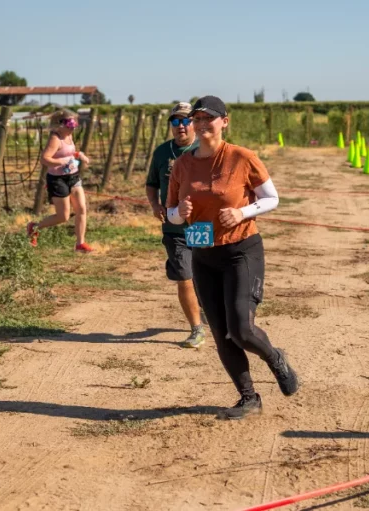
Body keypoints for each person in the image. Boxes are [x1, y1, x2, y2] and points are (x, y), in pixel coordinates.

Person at [166, 96, 298, 420]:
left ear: (224, 121)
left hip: (241, 250)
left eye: (208, 118)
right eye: (196, 119)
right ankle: (248, 397)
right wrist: (178, 213)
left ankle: (275, 358)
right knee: (221, 332)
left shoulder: (242, 157)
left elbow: (272, 198)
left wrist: (241, 212)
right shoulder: (182, 165)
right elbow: (169, 214)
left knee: (240, 329)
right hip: (203, 255)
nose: (200, 125)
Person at [146, 102, 206, 349]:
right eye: (175, 121)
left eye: (185, 121)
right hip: (174, 227)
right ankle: (196, 328)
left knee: (204, 276)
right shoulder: (162, 153)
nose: (180, 126)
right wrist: (154, 205)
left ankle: (208, 311)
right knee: (185, 276)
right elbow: (151, 184)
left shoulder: (205, 149)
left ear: (194, 123)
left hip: (201, 226)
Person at [27, 109, 93, 252]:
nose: (72, 129)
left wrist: (79, 155)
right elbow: (45, 159)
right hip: (57, 180)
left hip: (73, 177)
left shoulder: (69, 137)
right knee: (63, 216)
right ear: (60, 124)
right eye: (69, 126)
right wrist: (63, 161)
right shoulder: (55, 138)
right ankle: (34, 227)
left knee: (82, 209)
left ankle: (80, 243)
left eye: (74, 126)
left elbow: (69, 153)